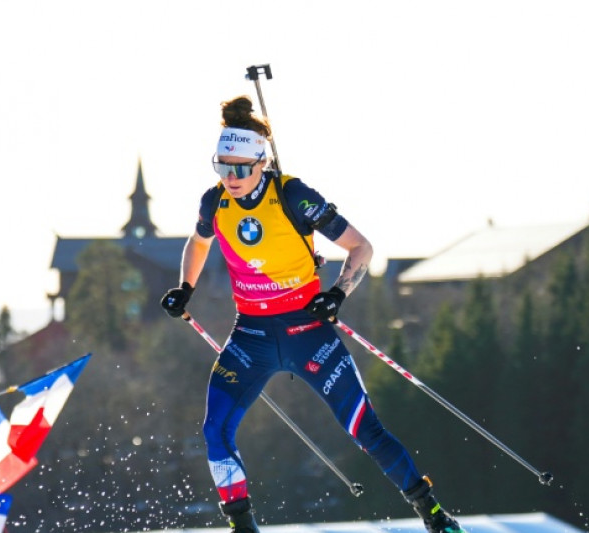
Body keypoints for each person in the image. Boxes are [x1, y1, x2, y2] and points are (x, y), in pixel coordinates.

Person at [159, 96, 464, 533]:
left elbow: (361, 248)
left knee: (365, 430)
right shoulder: (214, 202)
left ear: (261, 162)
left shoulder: (293, 196)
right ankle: (242, 526)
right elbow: (199, 241)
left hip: (308, 333)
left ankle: (434, 516)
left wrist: (338, 294)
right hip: (251, 337)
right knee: (215, 431)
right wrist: (185, 288)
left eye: (241, 168)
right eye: (222, 167)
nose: (231, 178)